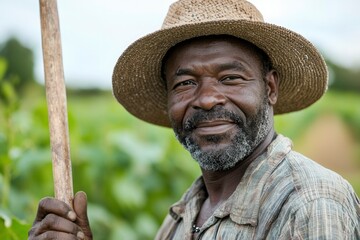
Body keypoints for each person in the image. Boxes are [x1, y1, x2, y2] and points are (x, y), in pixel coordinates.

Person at [29, 0, 360, 239]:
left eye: (230, 78)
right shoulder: (184, 216)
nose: (205, 99)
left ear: (270, 88)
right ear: (169, 100)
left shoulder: (310, 203)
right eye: (185, 83)